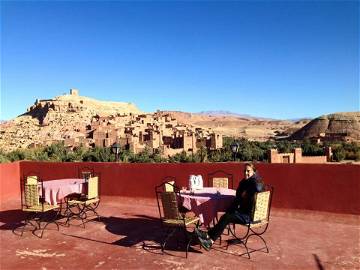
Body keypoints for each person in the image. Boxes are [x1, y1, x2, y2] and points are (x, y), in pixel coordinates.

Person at [195, 162, 265, 251]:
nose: (245, 173)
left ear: (254, 172)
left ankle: (210, 241)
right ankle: (208, 235)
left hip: (250, 216)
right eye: (244, 171)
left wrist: (247, 183)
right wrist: (244, 184)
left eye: (248, 171)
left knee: (227, 217)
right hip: (246, 212)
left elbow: (258, 188)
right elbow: (239, 196)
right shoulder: (247, 182)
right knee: (227, 214)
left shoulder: (256, 181)